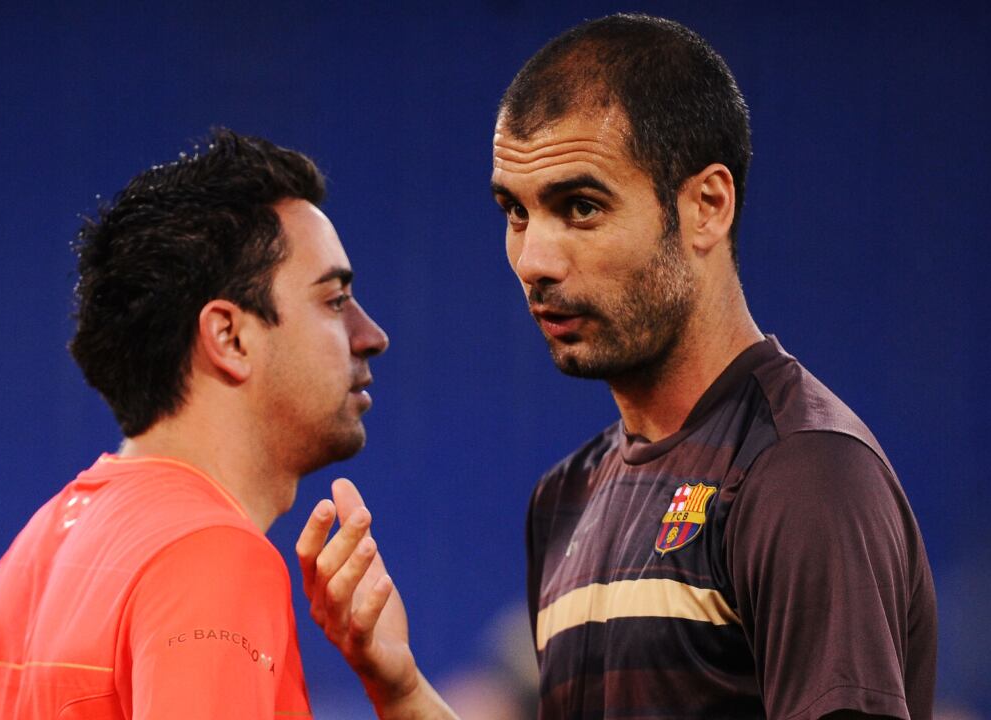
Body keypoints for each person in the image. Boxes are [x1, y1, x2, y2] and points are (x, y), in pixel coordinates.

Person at [298, 13, 936, 720]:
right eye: (516, 212)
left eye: (580, 207)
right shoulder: (565, 497)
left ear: (707, 207)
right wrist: (401, 689)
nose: (534, 260)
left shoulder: (802, 476)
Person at [0, 129, 391, 718]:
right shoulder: (212, 557)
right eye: (334, 301)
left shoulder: (34, 554)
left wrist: (404, 693)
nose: (371, 336)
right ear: (230, 337)